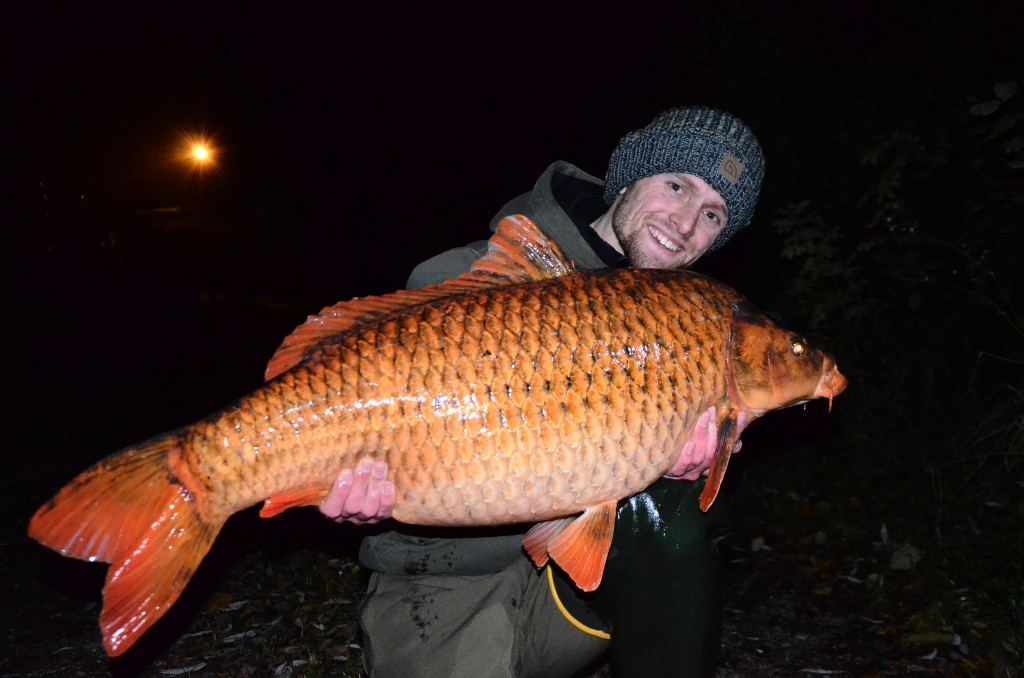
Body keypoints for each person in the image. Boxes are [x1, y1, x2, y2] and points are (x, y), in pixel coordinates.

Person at [320, 106, 765, 677]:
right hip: (442, 583)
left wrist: (669, 459)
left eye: (712, 214)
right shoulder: (464, 275)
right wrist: (353, 489)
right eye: (676, 185)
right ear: (629, 177)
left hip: (572, 585)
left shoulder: (685, 326)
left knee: (679, 512)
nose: (683, 223)